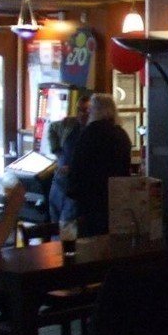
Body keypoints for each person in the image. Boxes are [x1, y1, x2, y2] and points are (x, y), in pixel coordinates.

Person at [67, 93, 132, 237]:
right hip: (116, 198)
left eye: (90, 109)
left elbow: (78, 166)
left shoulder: (89, 133)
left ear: (95, 111)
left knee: (88, 242)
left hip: (91, 200)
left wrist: (72, 190)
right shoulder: (121, 134)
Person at [47, 92, 90, 224]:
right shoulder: (69, 123)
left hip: (75, 186)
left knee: (66, 223)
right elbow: (51, 128)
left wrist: (72, 169)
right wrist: (56, 150)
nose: (82, 114)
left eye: (86, 110)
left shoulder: (93, 131)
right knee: (54, 221)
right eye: (79, 110)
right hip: (59, 181)